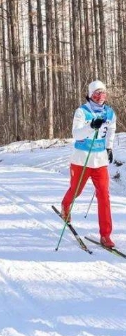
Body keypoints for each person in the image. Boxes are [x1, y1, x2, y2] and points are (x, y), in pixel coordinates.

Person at [61, 80, 116, 248]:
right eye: (97, 93)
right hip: (81, 160)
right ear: (91, 95)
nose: (100, 97)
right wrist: (91, 125)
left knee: (104, 196)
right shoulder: (82, 112)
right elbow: (76, 134)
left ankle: (105, 235)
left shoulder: (109, 113)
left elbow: (111, 130)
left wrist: (109, 147)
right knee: (76, 190)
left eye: (103, 93)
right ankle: (65, 205)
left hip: (100, 161)